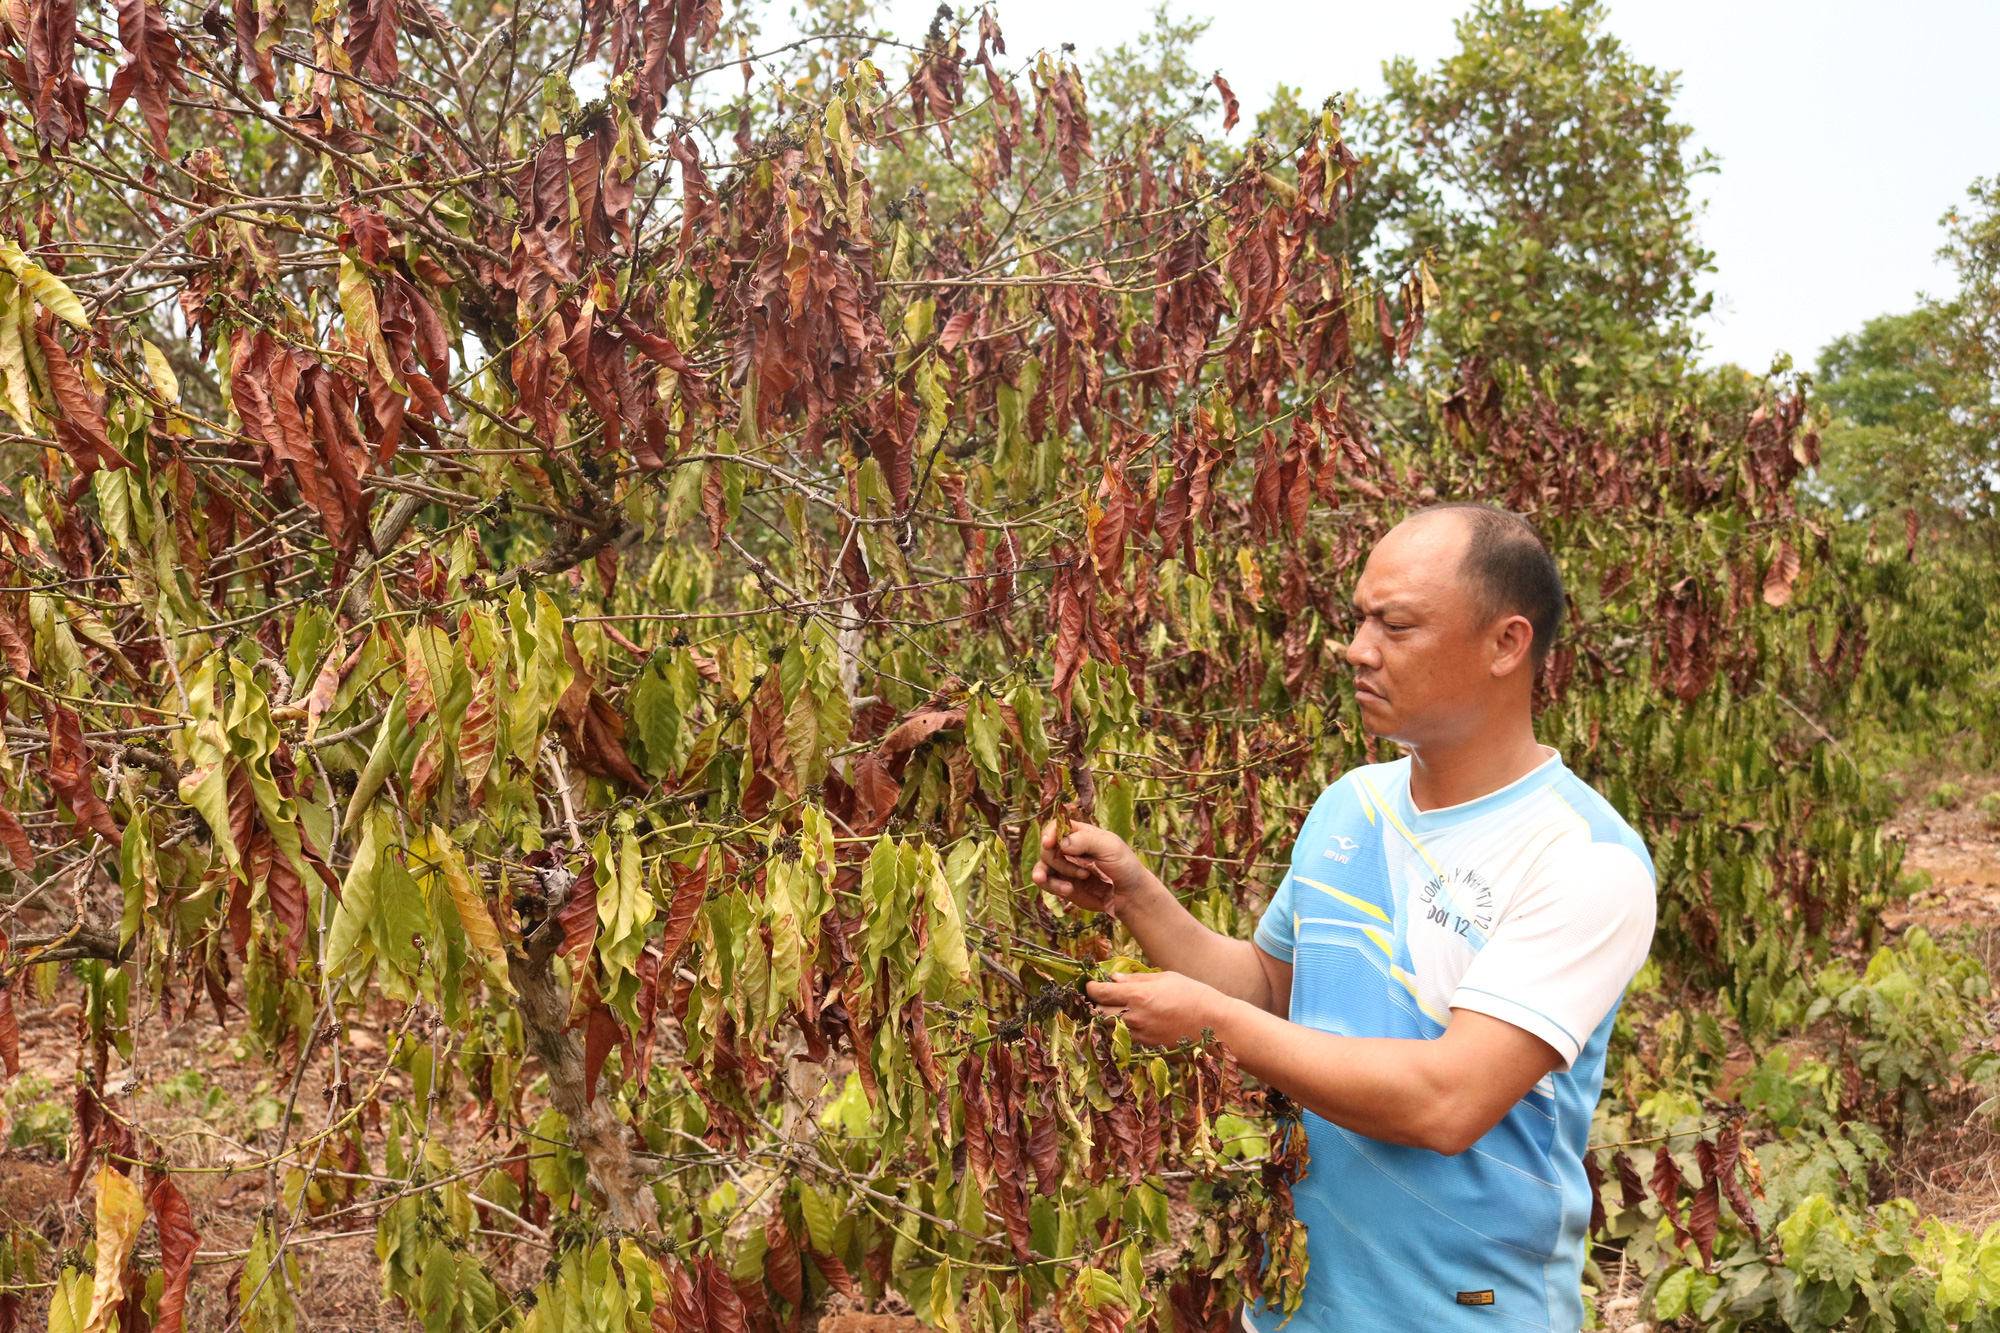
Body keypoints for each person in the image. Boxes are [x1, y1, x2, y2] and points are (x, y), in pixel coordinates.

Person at [1035, 504, 1656, 1333]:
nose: (1358, 648)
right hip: (1296, 1305)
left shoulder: (1582, 859)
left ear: (1507, 644)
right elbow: (1267, 987)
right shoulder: (1351, 804)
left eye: (1395, 624)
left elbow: (1447, 1102)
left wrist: (1209, 1020)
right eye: (1359, 618)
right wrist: (1136, 894)